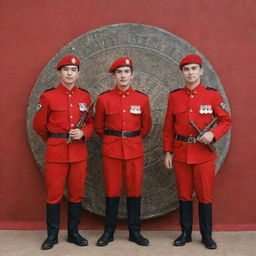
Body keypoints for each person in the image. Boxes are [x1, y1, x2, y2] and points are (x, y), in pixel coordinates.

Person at [163, 54, 231, 249]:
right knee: (184, 195)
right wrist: (168, 152)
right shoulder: (175, 96)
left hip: (203, 154)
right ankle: (185, 233)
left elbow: (225, 120)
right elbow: (168, 128)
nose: (190, 73)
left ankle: (206, 235)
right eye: (186, 69)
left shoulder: (212, 95)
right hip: (182, 152)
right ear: (182, 73)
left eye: (194, 69)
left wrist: (213, 134)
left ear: (201, 71)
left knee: (204, 195)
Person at [33, 55, 94, 250]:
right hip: (56, 153)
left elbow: (91, 123)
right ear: (59, 73)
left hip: (78, 153)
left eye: (73, 70)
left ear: (78, 74)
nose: (69, 73)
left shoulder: (85, 96)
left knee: (77, 194)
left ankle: (73, 233)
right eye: (66, 69)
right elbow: (39, 125)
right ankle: (52, 235)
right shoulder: (48, 96)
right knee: (54, 195)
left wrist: (83, 132)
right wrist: (54, 139)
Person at [94, 57, 152, 246]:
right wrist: (113, 139)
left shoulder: (142, 99)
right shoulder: (103, 99)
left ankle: (134, 231)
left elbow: (146, 126)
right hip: (111, 150)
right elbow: (99, 127)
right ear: (113, 76)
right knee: (112, 190)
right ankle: (108, 232)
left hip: (134, 149)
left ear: (132, 75)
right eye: (119, 72)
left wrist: (131, 138)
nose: (123, 76)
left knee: (134, 190)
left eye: (126, 72)